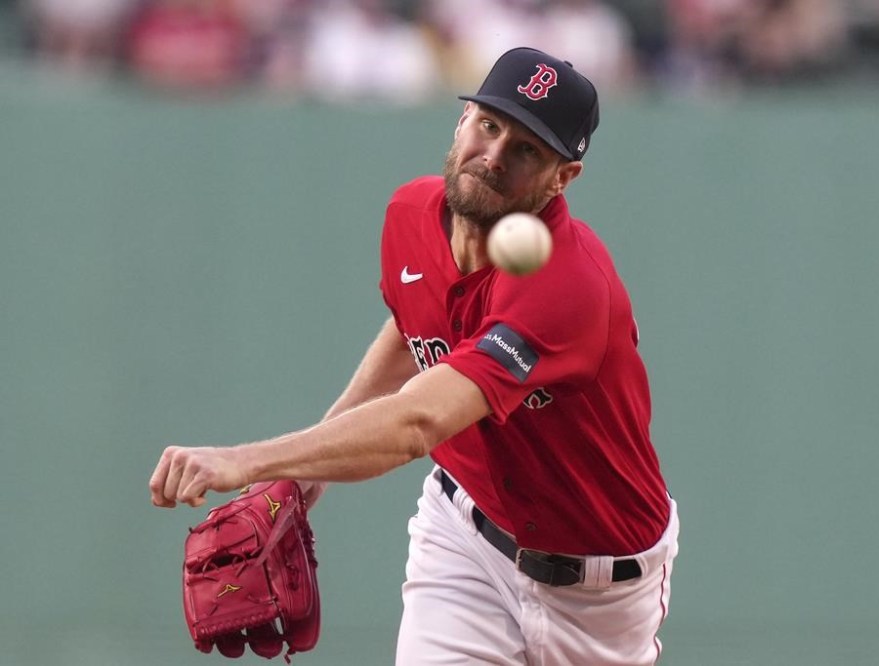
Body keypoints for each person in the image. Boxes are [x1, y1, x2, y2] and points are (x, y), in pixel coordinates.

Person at [149, 46, 680, 665]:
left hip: (600, 594)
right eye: (488, 124)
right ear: (461, 121)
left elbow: (416, 424)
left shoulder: (567, 284)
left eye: (527, 149)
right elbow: (415, 327)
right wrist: (306, 469)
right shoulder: (410, 215)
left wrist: (244, 462)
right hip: (466, 544)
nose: (494, 155)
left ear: (563, 178)